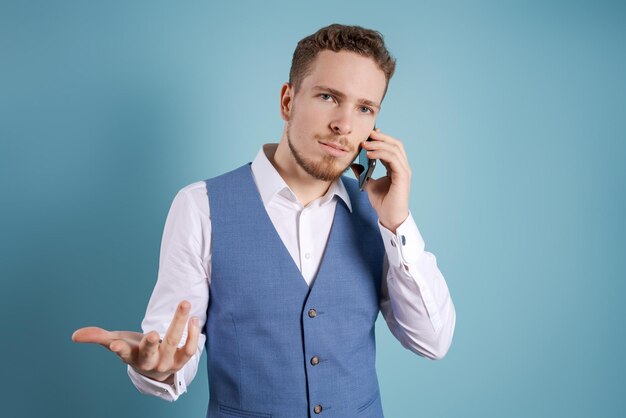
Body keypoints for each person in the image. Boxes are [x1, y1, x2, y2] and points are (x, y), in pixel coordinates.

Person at [72, 23, 456, 417]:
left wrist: (398, 223)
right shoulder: (200, 207)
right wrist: (158, 369)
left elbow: (432, 341)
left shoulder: (380, 216)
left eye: (364, 108)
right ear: (288, 101)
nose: (344, 124)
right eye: (328, 96)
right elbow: (169, 349)